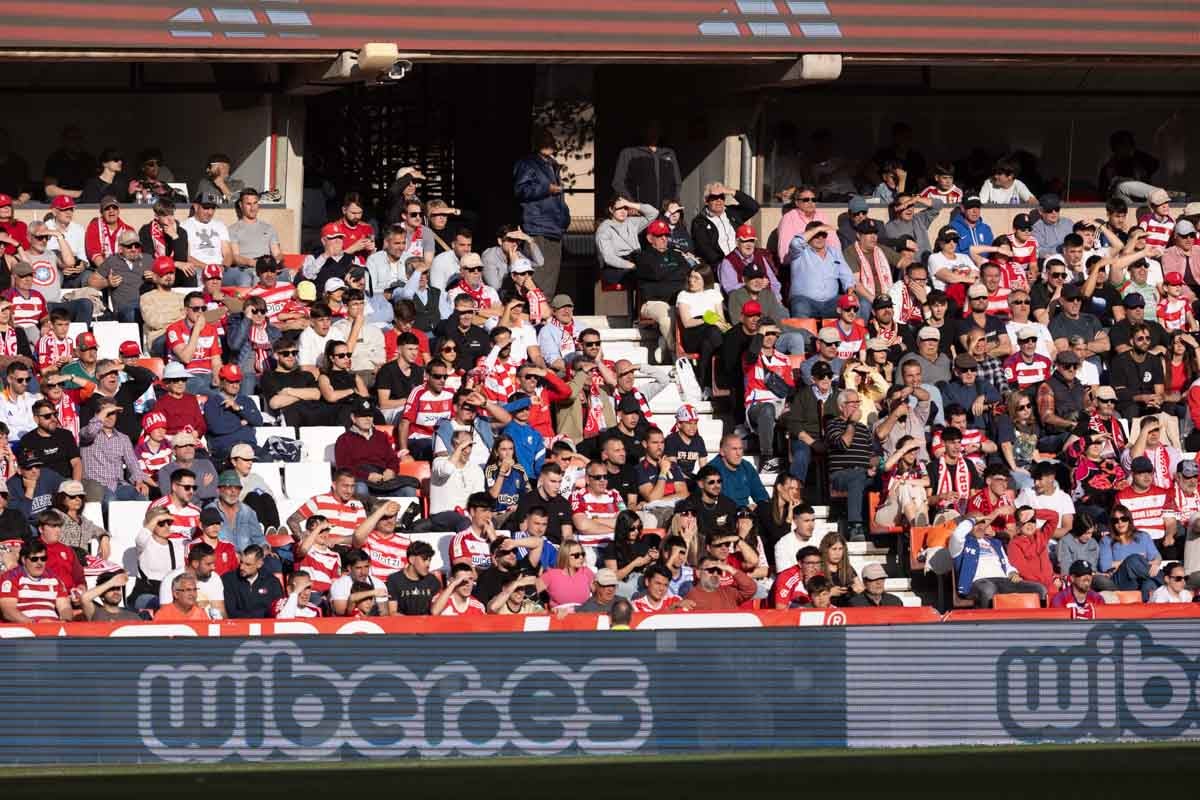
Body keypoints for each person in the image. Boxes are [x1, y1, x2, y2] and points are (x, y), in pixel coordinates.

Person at [513, 128, 570, 296]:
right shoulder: (527, 163)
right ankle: (534, 311)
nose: (548, 144)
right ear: (536, 143)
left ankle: (545, 311)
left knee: (551, 276)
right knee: (538, 274)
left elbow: (558, 198)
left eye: (550, 140)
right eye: (544, 140)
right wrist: (546, 188)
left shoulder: (552, 165)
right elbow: (521, 190)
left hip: (555, 227)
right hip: (537, 225)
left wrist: (565, 217)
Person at [949, 518, 1048, 607]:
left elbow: (1007, 565)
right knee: (988, 589)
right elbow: (957, 535)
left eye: (982, 523)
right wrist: (973, 519)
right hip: (978, 582)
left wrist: (1012, 572)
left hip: (1003, 581)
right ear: (968, 525)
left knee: (1039, 589)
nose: (980, 527)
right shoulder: (961, 544)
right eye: (976, 524)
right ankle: (987, 625)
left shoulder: (995, 543)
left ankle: (1038, 624)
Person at [824, 389, 875, 540]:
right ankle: (855, 526)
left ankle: (878, 527)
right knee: (857, 475)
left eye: (858, 402)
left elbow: (871, 454)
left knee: (886, 479)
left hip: (864, 473)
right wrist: (851, 423)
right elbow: (843, 444)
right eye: (852, 403)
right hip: (841, 474)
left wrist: (874, 465)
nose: (857, 406)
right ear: (841, 407)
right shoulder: (833, 424)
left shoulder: (864, 429)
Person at [79, 398, 149, 503]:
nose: (110, 417)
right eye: (106, 413)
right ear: (98, 415)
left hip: (118, 485)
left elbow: (132, 462)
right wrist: (104, 413)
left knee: (141, 496)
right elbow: (90, 431)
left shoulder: (123, 438)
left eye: (113, 413)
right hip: (96, 486)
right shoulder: (87, 432)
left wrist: (139, 481)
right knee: (111, 500)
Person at [691, 182, 760, 273]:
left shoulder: (732, 213)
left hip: (744, 262)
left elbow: (753, 207)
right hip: (721, 266)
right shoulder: (700, 222)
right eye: (714, 198)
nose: (719, 200)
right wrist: (726, 264)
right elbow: (705, 249)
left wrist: (730, 191)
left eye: (722, 197)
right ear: (706, 200)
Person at [1099, 504, 1164, 601]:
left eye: (1123, 519)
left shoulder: (1143, 536)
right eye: (1115, 521)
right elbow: (1105, 566)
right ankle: (1166, 581)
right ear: (1112, 524)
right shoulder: (1107, 540)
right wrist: (1129, 561)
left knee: (1149, 583)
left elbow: (1157, 557)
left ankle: (1148, 612)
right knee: (1133, 559)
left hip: (1141, 578)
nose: (1120, 523)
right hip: (1121, 580)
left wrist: (1155, 563)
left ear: (1129, 520)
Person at [0, 540, 71, 622]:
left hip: (53, 626)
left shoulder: (54, 578)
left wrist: (65, 621)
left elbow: (65, 607)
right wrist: (34, 624)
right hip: (25, 629)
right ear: (24, 560)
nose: (39, 563)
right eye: (34, 559)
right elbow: (8, 611)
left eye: (43, 558)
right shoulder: (11, 577)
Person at [131, 505, 187, 609]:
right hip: (145, 592)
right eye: (161, 523)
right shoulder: (145, 544)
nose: (166, 526)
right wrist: (157, 518)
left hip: (169, 593)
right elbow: (141, 538)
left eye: (169, 522)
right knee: (162, 605)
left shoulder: (177, 546)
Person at [157, 539, 225, 619]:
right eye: (208, 564)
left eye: (213, 564)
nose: (213, 568)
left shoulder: (214, 578)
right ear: (195, 563)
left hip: (209, 627)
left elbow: (221, 614)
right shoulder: (170, 580)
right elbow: (165, 614)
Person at [222, 544, 284, 618]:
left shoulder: (272, 582)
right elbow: (230, 611)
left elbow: (277, 608)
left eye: (248, 564)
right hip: (239, 626)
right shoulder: (228, 580)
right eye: (241, 562)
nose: (242, 567)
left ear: (259, 564)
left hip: (266, 626)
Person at [680, 555, 755, 611]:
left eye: (719, 571)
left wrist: (729, 568)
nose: (715, 574)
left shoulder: (729, 592)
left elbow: (751, 589)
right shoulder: (691, 598)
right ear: (698, 573)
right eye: (711, 570)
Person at [386, 539, 439, 616]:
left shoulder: (433, 581)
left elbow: (436, 611)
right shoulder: (394, 580)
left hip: (427, 624)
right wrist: (413, 623)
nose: (428, 564)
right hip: (402, 625)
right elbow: (392, 612)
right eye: (424, 560)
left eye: (429, 560)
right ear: (411, 559)